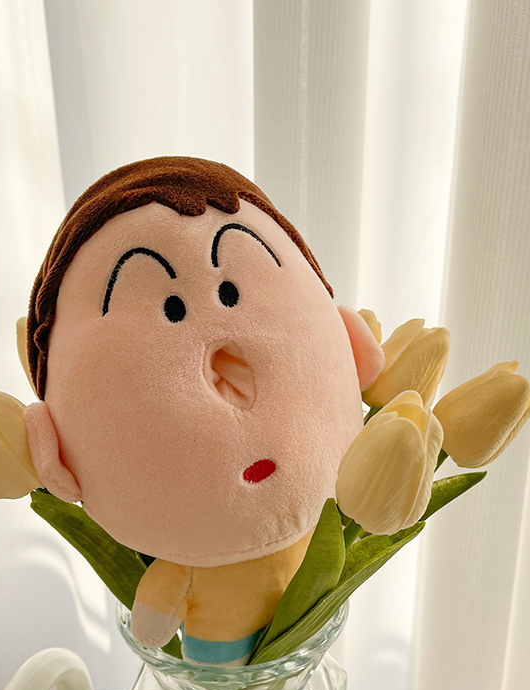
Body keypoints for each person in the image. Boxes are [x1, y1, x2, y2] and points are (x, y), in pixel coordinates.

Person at [24, 157, 383, 664]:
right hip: (210, 670)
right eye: (169, 309)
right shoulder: (331, 530)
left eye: (232, 293)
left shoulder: (329, 533)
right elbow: (154, 624)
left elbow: (151, 625)